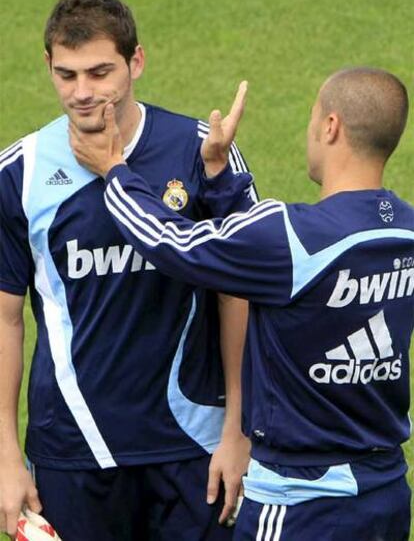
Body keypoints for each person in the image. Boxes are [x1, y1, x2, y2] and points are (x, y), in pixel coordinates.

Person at [71, 68, 413, 540]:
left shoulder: (292, 236)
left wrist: (114, 171)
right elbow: (256, 260)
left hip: (300, 504)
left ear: (331, 127)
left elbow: (170, 241)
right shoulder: (405, 231)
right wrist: (219, 174)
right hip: (387, 495)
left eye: (314, 117)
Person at [0, 0, 254, 540]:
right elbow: (5, 319)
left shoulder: (202, 152)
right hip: (74, 450)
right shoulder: (19, 174)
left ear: (136, 61)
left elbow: (241, 292)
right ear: (47, 65)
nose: (83, 93)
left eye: (99, 72)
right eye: (66, 75)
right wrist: (5, 454)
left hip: (193, 445)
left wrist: (238, 430)